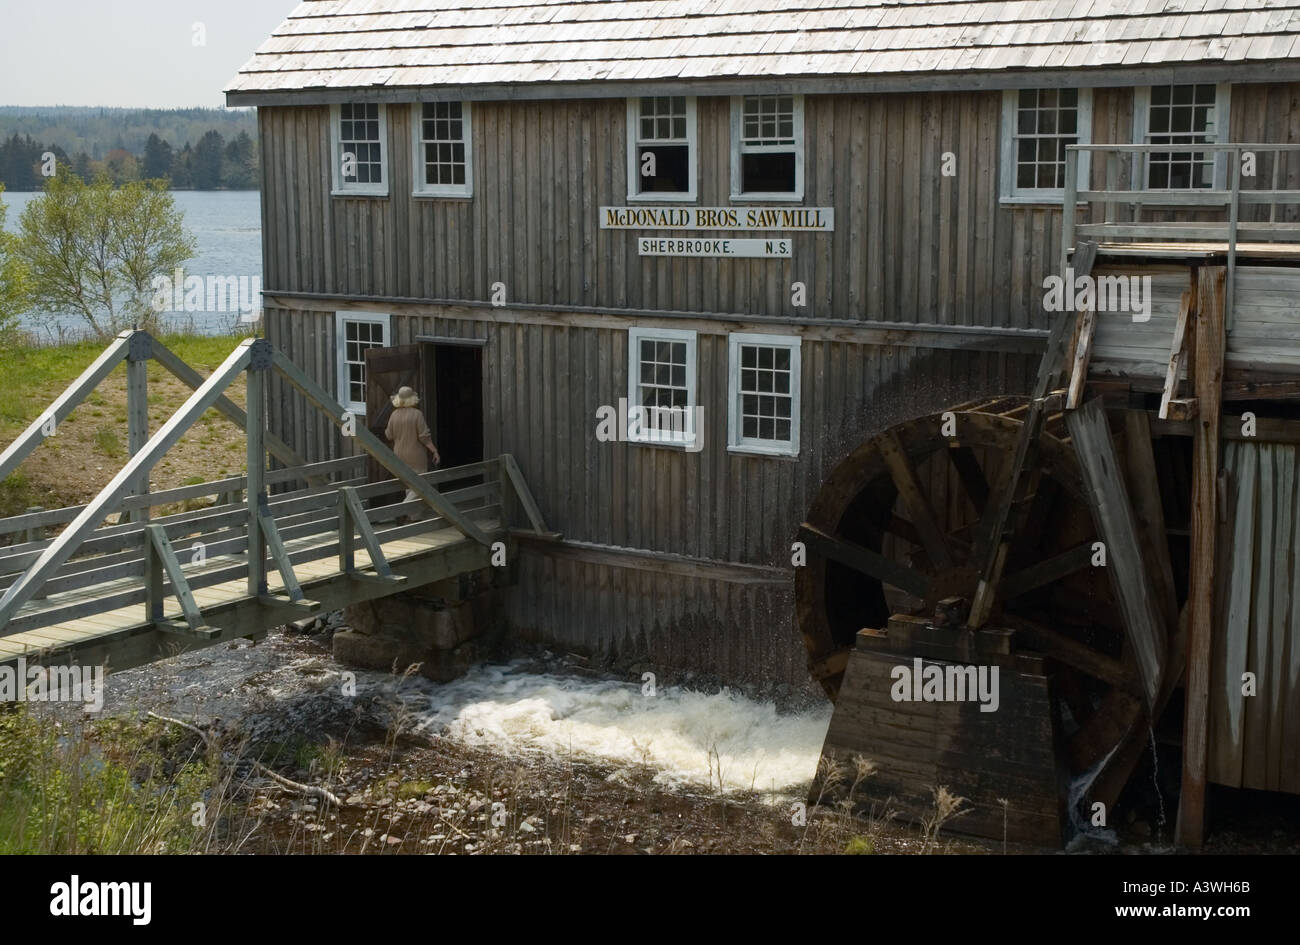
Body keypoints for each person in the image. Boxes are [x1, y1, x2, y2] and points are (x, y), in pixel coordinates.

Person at [384, 386, 440, 521]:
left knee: (408, 485)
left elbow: (388, 435)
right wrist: (434, 451)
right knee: (421, 483)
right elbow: (424, 437)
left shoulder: (394, 414)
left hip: (398, 454)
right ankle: (402, 510)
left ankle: (415, 517)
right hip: (415, 454)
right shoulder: (417, 414)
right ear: (413, 399)